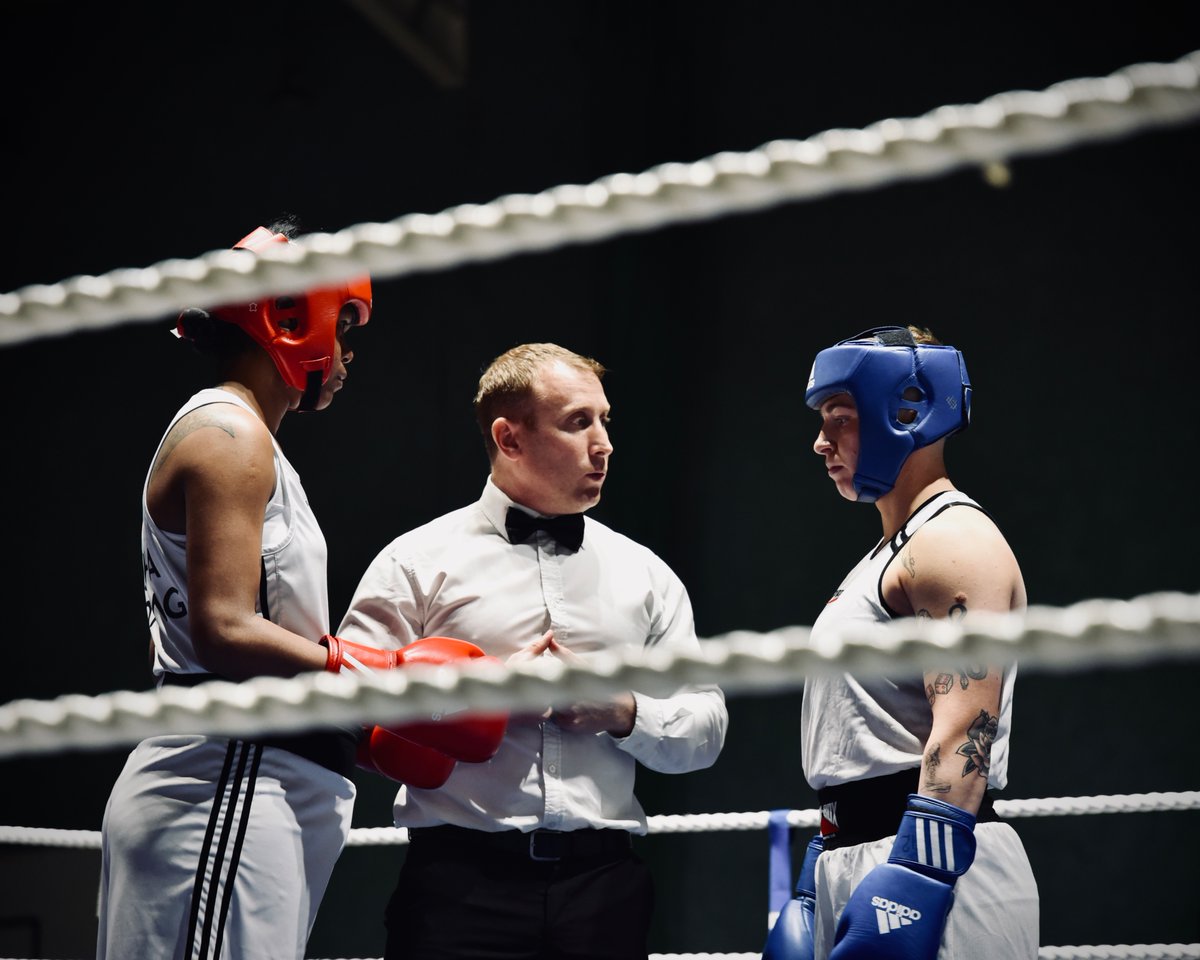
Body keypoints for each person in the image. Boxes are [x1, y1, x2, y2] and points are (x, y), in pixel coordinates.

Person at [337, 341, 730, 960]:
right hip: (457, 886)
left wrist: (622, 710)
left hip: (603, 889)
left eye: (605, 420)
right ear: (510, 438)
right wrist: (478, 695)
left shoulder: (645, 574)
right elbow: (343, 710)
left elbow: (706, 733)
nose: (603, 443)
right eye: (578, 422)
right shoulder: (415, 561)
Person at [96, 218, 380, 959]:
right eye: (344, 327)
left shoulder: (245, 436)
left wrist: (353, 714)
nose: (349, 354)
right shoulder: (233, 436)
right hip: (224, 781)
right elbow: (225, 629)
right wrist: (374, 677)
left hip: (244, 782)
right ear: (290, 317)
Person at [764, 325, 1038, 960]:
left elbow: (965, 723)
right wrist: (816, 876)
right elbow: (859, 740)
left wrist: (919, 874)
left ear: (906, 410)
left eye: (840, 418)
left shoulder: (952, 542)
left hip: (932, 860)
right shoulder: (891, 552)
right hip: (863, 852)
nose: (820, 441)